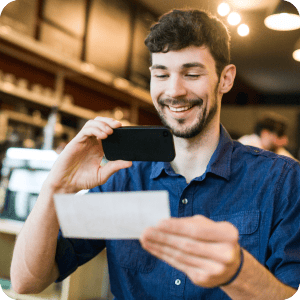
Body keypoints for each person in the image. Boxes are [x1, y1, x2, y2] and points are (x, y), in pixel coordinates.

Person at [10, 9, 300, 300]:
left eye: (192, 73)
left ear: (225, 79)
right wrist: (55, 187)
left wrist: (237, 273)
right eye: (161, 74)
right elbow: (27, 281)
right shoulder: (123, 178)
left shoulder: (281, 180)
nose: (174, 90)